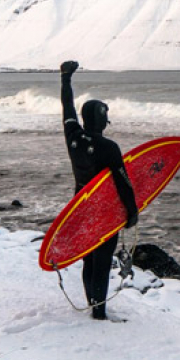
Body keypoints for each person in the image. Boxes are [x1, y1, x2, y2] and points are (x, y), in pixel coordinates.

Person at [59, 60, 138, 320]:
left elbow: (67, 106)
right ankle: (99, 312)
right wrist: (132, 212)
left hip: (80, 206)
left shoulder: (72, 136)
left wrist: (66, 78)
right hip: (104, 212)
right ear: (102, 120)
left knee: (88, 259)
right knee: (102, 262)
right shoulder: (109, 148)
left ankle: (93, 304)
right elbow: (123, 183)